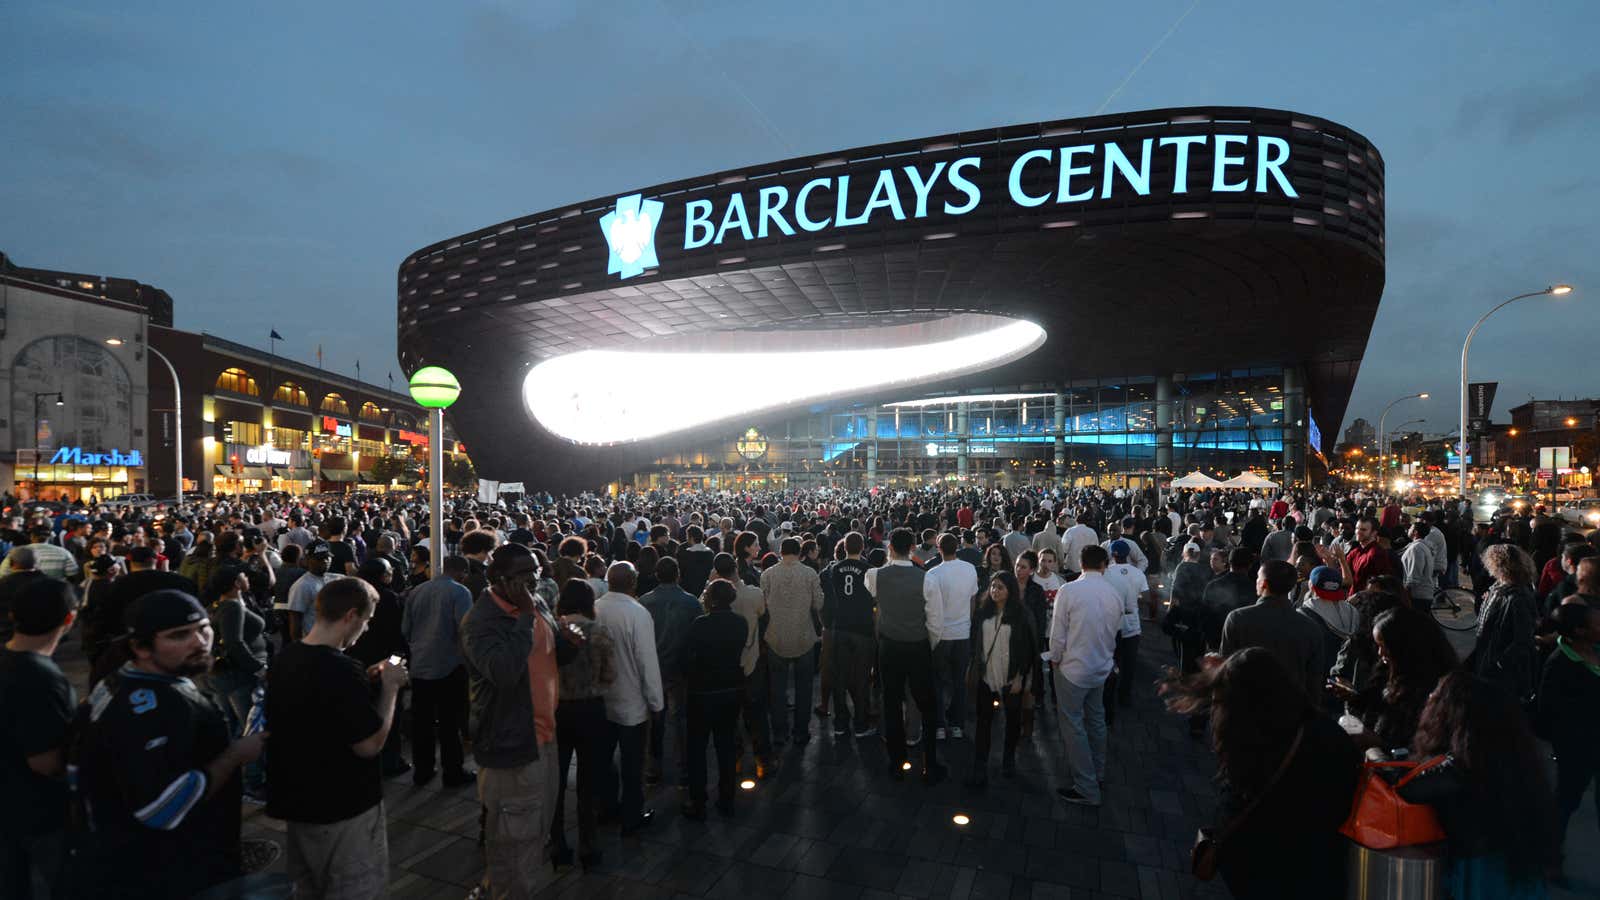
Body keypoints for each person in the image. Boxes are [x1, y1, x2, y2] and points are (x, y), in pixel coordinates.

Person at [76, 589, 267, 899]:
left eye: (204, 628)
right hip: (161, 873)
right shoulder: (152, 707)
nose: (200, 641)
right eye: (179, 635)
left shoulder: (124, 680)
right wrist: (234, 756)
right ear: (140, 647)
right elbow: (161, 807)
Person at [1162, 647, 1359, 900]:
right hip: (1321, 871)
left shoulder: (1252, 742)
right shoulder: (1328, 733)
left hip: (1261, 871)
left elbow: (1232, 806)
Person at [267, 577, 405, 900]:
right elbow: (369, 744)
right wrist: (390, 688)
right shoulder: (341, 671)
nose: (367, 629)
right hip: (345, 808)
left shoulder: (285, 659)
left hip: (300, 804)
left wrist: (365, 680)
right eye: (367, 621)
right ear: (350, 617)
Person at [462, 543, 580, 896]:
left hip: (544, 735)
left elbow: (548, 653)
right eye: (525, 575)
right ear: (499, 579)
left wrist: (569, 644)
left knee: (535, 832)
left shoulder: (535, 603)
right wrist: (527, 616)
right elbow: (504, 672)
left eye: (536, 572)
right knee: (513, 841)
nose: (533, 580)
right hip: (510, 742)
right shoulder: (481, 622)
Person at [1402, 671, 1556, 898]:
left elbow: (1406, 790)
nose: (1430, 698)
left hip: (1478, 876)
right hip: (1516, 873)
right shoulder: (1514, 761)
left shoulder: (1459, 769)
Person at [0, 578, 77, 899]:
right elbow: (46, 762)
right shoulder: (40, 678)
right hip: (36, 814)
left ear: (12, 616)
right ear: (70, 619)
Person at [866, 527, 945, 784]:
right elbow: (935, 621)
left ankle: (896, 762)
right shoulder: (927, 579)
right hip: (918, 645)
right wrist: (928, 644)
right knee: (927, 704)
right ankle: (929, 762)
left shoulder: (875, 575)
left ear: (890, 548)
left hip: (889, 647)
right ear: (912, 548)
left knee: (891, 702)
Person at [1048, 544, 1123, 806]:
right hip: (1100, 666)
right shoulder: (1114, 593)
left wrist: (1055, 659)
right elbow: (1116, 631)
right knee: (1096, 721)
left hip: (1073, 668)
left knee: (1074, 727)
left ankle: (1086, 786)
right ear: (1104, 565)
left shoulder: (1069, 591)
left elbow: (1058, 633)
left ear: (1081, 564)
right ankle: (1097, 773)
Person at [550, 578, 616, 870]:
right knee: (589, 782)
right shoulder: (598, 631)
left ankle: (557, 843)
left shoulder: (553, 630)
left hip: (557, 710)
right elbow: (610, 674)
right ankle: (589, 846)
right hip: (591, 709)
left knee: (556, 780)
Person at [595, 560, 664, 835]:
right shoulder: (637, 613)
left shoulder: (596, 608)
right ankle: (632, 814)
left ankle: (607, 806)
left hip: (601, 698)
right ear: (633, 582)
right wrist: (656, 701)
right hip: (631, 700)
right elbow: (647, 661)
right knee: (633, 763)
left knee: (604, 758)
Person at [1333, 606, 1458, 752]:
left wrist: (1378, 743)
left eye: (1384, 646)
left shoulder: (1437, 692)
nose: (1380, 653)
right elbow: (1377, 706)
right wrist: (1354, 698)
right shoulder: (1388, 671)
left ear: (1403, 647)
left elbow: (1429, 748)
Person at [1536, 603, 1600, 882]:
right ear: (1580, 631)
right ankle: (1549, 859)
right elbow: (1546, 714)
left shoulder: (1595, 652)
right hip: (1577, 747)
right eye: (1597, 622)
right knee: (1566, 801)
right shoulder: (1560, 663)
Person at [401, 554, 476, 788]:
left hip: (420, 665)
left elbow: (406, 629)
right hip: (449, 666)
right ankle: (452, 772)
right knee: (449, 722)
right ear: (462, 572)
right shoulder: (460, 592)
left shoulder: (417, 591)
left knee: (422, 722)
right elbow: (465, 630)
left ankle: (422, 771)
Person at [680, 579, 747, 819]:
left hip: (702, 692)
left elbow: (688, 657)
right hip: (730, 690)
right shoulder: (740, 624)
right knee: (726, 745)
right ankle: (727, 798)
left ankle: (698, 800)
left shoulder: (700, 624)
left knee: (697, 748)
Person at [965, 570, 1037, 787]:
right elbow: (975, 643)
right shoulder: (982, 613)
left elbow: (1026, 649)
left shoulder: (1021, 616)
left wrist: (1019, 678)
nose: (995, 591)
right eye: (993, 586)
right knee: (983, 721)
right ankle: (980, 764)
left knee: (1012, 721)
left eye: (1000, 587)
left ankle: (1008, 759)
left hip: (1010, 676)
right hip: (987, 675)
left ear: (1010, 591)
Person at [639, 556, 700, 784]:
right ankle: (684, 768)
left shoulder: (644, 601)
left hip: (654, 666)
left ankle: (653, 768)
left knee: (655, 718)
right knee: (681, 718)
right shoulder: (691, 602)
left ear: (656, 575)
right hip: (681, 666)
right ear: (678, 575)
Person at [760, 537, 824, 747]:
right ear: (799, 553)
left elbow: (764, 604)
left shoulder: (768, 574)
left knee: (777, 690)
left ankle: (779, 732)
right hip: (803, 637)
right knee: (804, 689)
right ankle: (801, 731)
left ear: (781, 552)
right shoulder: (809, 573)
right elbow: (818, 603)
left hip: (775, 637)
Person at [1468, 543, 1539, 703]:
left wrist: (1498, 663)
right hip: (1487, 655)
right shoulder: (1498, 589)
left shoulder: (1517, 597)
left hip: (1499, 668)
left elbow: (1522, 640)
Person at [923, 532, 977, 740]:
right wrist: (967, 622)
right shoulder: (969, 569)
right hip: (962, 633)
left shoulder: (933, 573)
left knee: (937, 681)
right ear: (958, 547)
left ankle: (938, 724)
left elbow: (929, 607)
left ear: (939, 548)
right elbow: (972, 601)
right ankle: (957, 724)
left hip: (940, 635)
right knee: (958, 682)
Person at [823, 533, 874, 738]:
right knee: (861, 679)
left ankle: (841, 723)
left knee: (840, 677)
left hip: (840, 627)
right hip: (862, 628)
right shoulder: (869, 569)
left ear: (844, 547)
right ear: (862, 547)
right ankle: (861, 724)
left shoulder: (833, 568)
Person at [1103, 540, 1147, 710]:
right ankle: (1125, 695)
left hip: (1111, 621)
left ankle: (1108, 693)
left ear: (1112, 554)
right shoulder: (1137, 573)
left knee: (1110, 658)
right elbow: (1147, 598)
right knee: (1129, 662)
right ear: (1128, 554)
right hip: (1132, 622)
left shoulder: (1106, 573)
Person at [285, 542, 338, 642]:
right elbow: (295, 622)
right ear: (307, 560)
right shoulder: (302, 586)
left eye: (327, 557)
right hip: (313, 643)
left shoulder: (332, 579)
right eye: (320, 559)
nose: (325, 561)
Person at [0, 546, 45, 645]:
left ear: (12, 563)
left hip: (9, 635)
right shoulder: (51, 583)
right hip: (42, 634)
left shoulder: (3, 584)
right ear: (36, 563)